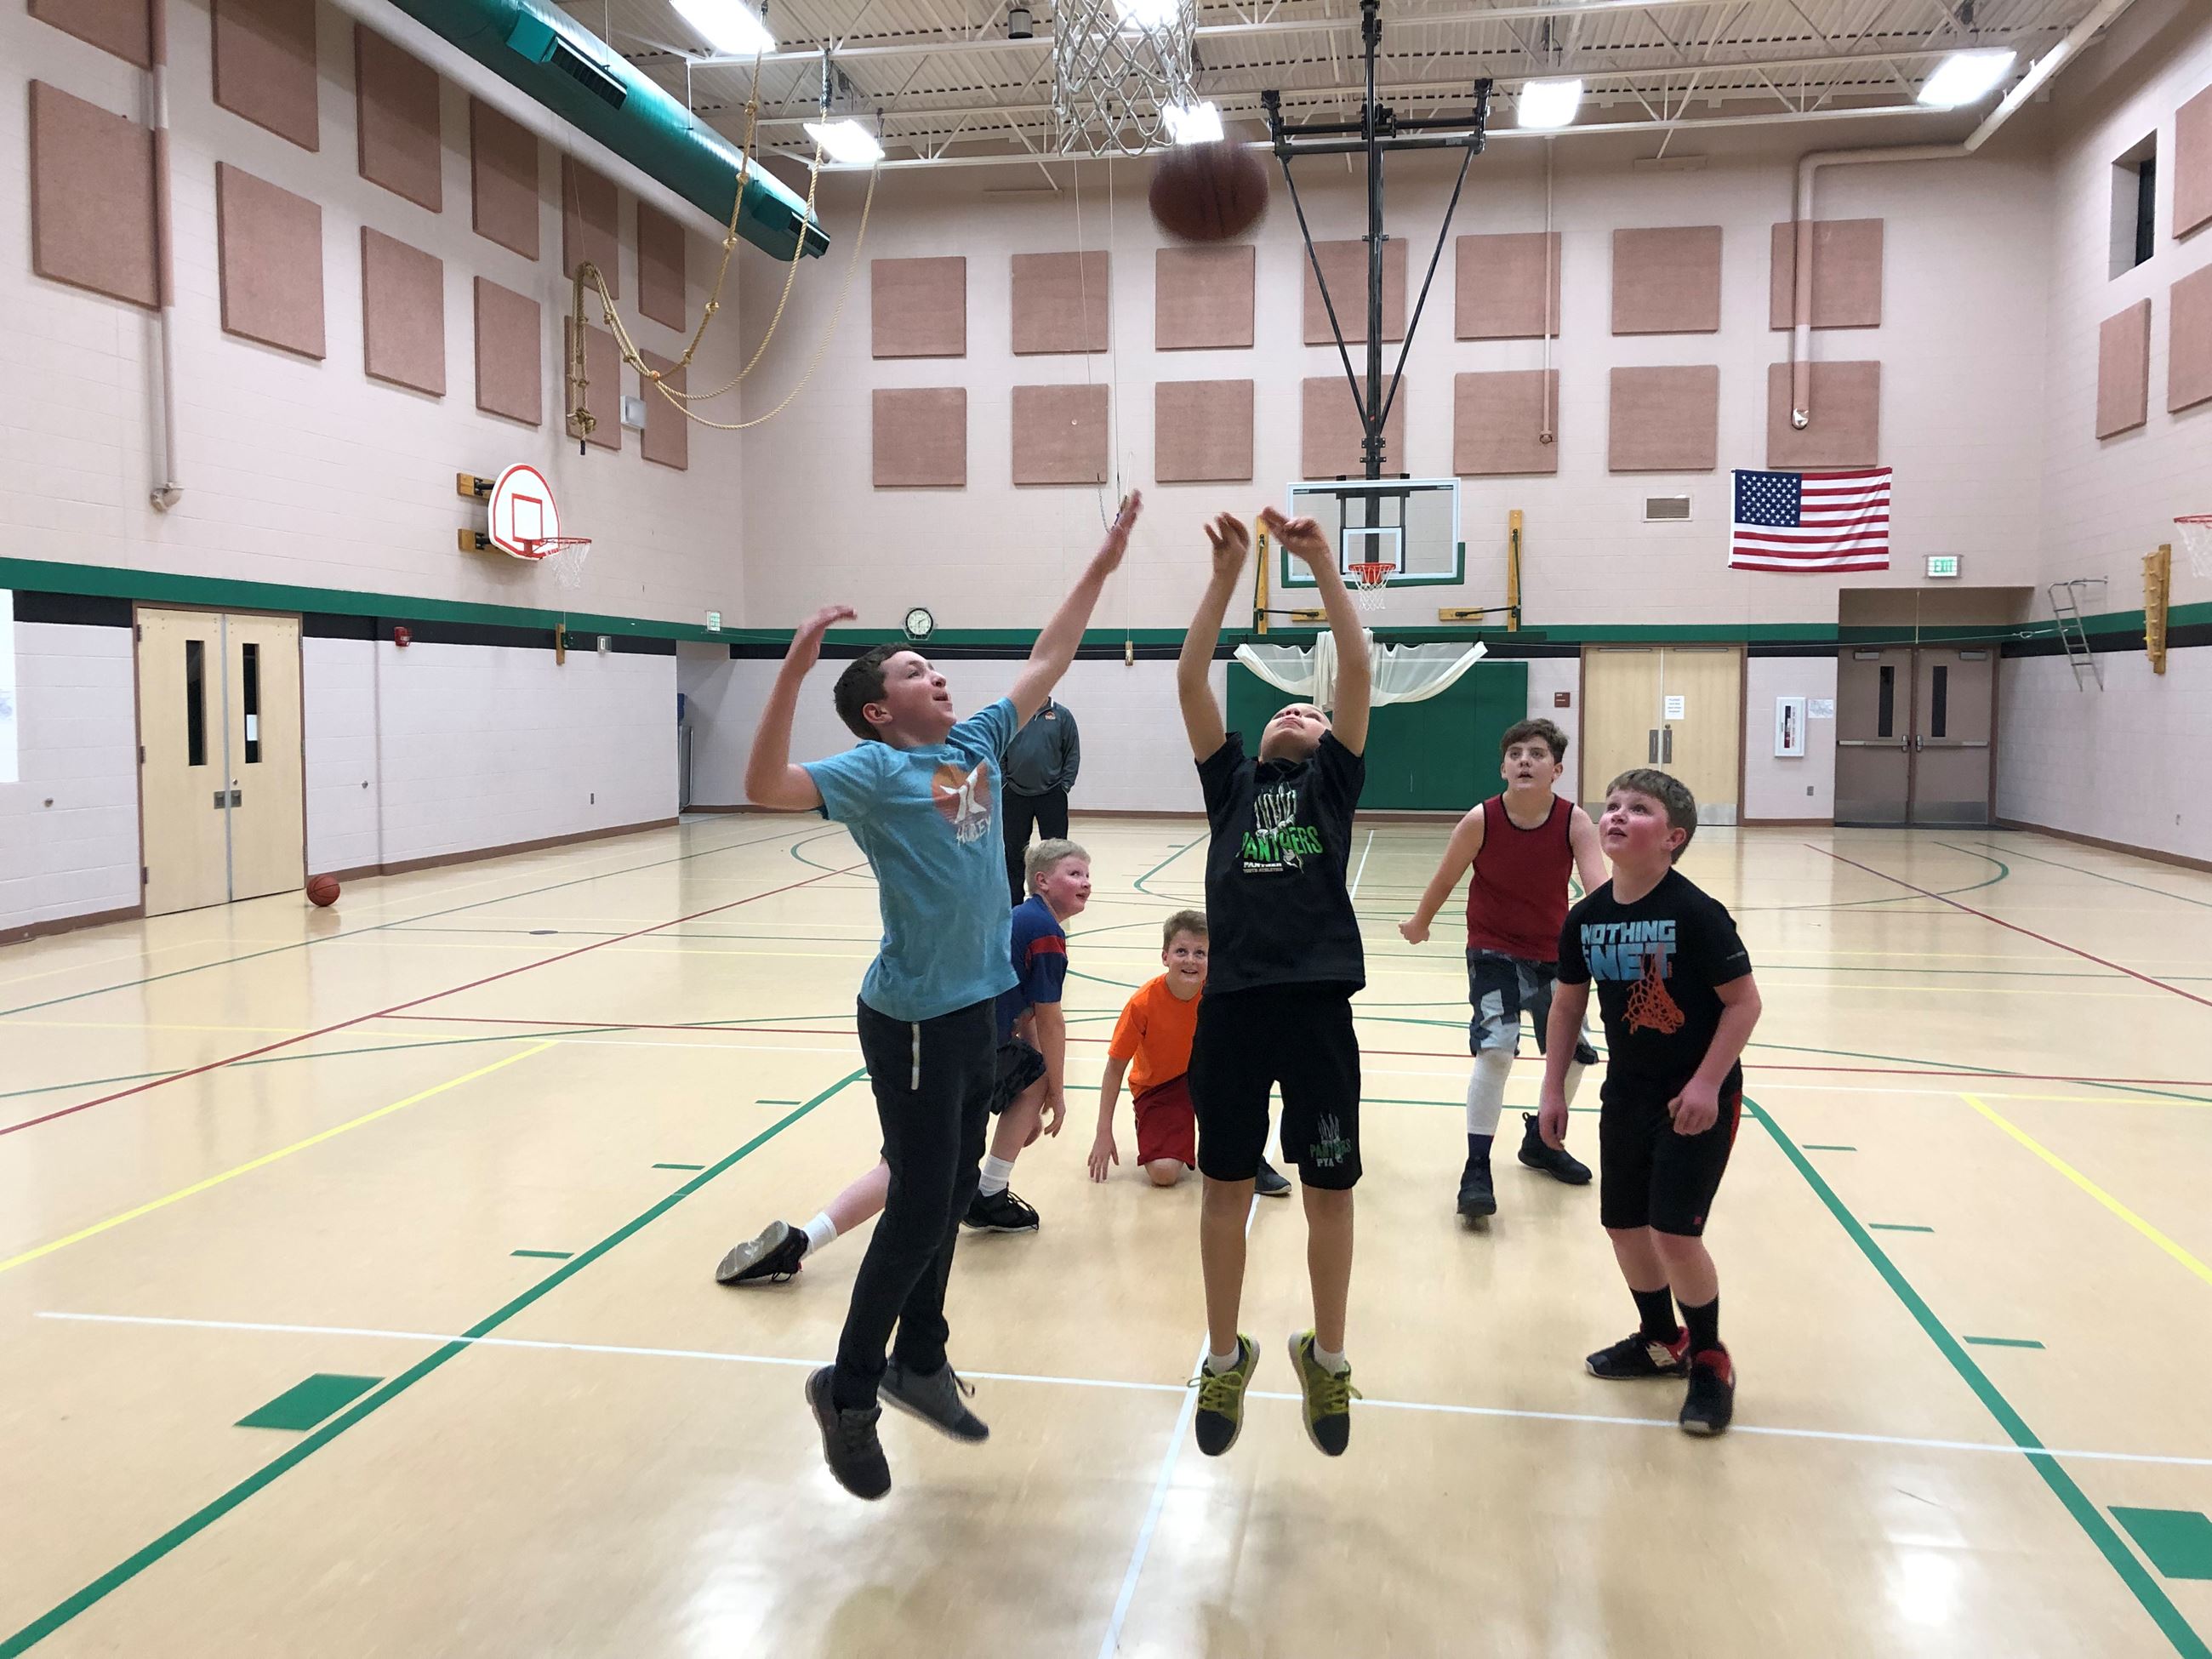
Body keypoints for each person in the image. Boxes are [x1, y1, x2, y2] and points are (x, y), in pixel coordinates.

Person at [740, 491, 1142, 1500]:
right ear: (881, 707)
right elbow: (761, 788)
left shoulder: (975, 744)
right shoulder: (875, 769)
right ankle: (850, 1387)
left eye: (933, 667)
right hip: (912, 1017)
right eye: (917, 672)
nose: (938, 675)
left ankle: (921, 1359)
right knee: (920, 1207)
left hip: (976, 1005)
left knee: (946, 1191)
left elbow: (1047, 660)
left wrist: (1101, 563)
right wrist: (791, 667)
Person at [1176, 506, 1369, 1461]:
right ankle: (1223, 1354)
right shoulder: (1231, 791)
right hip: (1234, 1009)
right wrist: (1223, 580)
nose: (1299, 710)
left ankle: (1325, 1359)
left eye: (1313, 710)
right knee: (1223, 1188)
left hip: (1317, 1006)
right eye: (1286, 708)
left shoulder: (1330, 787)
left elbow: (1356, 670)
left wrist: (1322, 565)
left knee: (1330, 1191)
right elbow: (1189, 682)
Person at [713, 838, 1092, 1288]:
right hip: (953, 1047)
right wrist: (1060, 1094)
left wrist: (1037, 1087)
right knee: (905, 1168)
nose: (1086, 882)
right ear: (1042, 881)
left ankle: (987, 1193)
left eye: (1088, 875)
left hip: (952, 1041)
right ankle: (800, 1243)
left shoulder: (1023, 921)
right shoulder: (1043, 932)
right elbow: (1051, 1020)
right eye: (1075, 874)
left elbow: (1027, 1012)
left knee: (1014, 1088)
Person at [1537, 767, 1763, 1438]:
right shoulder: (1587, 917)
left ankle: (1710, 1357)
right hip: (1626, 1093)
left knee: (1674, 1232)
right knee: (1624, 1226)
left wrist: (1704, 1083)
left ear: (1673, 838)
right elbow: (1567, 1003)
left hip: (1697, 1094)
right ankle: (1662, 1339)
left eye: (1638, 810)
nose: (1616, 816)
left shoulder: (1696, 912)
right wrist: (1552, 1088)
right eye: (1611, 806)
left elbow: (1744, 1003)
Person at [1397, 719, 1608, 1224]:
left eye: (1536, 754)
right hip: (1493, 951)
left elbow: (1598, 887)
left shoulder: (1575, 821)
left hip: (1557, 954)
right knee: (1495, 1051)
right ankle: (1476, 1167)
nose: (1524, 761)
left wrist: (1617, 933)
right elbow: (1446, 877)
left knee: (1577, 1054)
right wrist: (1420, 922)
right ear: (1503, 767)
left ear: (1556, 770)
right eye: (1515, 753)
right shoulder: (1481, 820)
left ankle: (1542, 1142)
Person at [1086, 910, 1290, 1194]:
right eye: (1181, 951)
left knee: (1241, 1074)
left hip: (1207, 1078)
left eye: (1200, 953)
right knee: (1164, 1173)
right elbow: (1114, 1068)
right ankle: (1160, 1125)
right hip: (1160, 1087)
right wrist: (1103, 1131)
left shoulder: (1218, 994)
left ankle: (1249, 1160)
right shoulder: (1142, 1004)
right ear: (1165, 956)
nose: (1191, 960)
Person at [1001, 698, 1080, 904]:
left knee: (1057, 854)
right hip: (1015, 795)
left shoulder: (1062, 716)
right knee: (1013, 851)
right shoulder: (1013, 717)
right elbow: (999, 750)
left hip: (1052, 795)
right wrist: (1003, 784)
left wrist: (1064, 786)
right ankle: (1014, 901)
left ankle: (1055, 899)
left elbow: (1072, 753)